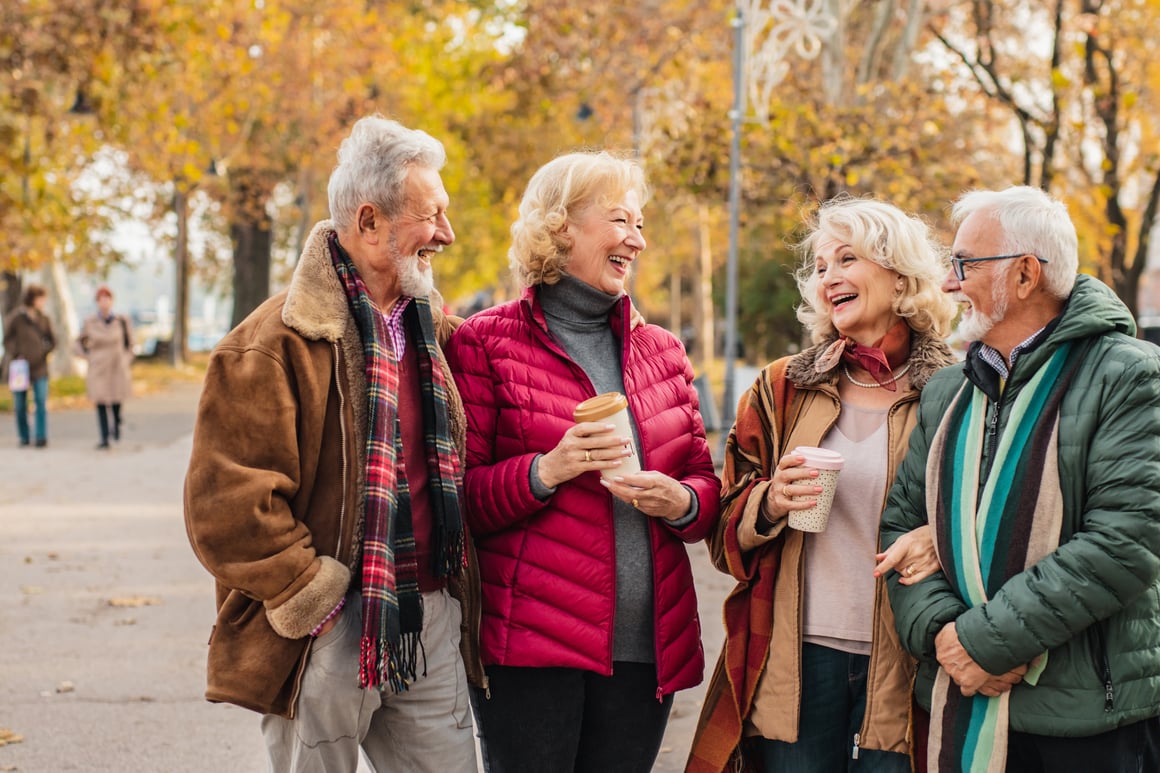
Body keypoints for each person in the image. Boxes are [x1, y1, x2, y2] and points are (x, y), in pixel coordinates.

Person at [184, 115, 480, 773]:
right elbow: (227, 509)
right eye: (431, 216)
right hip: (332, 621)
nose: (447, 234)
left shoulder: (437, 332)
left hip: (426, 613)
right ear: (369, 222)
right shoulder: (271, 343)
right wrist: (311, 597)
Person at [445, 151, 721, 773]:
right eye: (620, 220)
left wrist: (684, 502)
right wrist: (548, 469)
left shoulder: (663, 352)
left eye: (641, 225)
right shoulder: (485, 342)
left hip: (647, 649)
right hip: (530, 649)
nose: (637, 239)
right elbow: (459, 499)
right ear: (560, 226)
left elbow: (704, 484)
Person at [880, 185, 1160, 773]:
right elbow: (900, 529)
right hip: (958, 695)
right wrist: (943, 633)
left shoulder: (1128, 375)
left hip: (1084, 718)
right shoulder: (947, 391)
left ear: (1027, 275)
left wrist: (987, 641)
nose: (950, 282)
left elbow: (1128, 539)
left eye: (964, 264)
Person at [687, 197, 957, 773]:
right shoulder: (782, 388)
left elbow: (989, 517)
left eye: (847, 258)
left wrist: (939, 539)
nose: (829, 276)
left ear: (899, 273)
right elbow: (722, 534)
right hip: (795, 662)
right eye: (820, 266)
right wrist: (770, 501)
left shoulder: (956, 392)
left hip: (909, 657)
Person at [76, 286, 134, 449]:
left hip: (117, 365)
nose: (104, 302)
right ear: (97, 302)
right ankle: (104, 437)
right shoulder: (90, 322)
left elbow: (131, 343)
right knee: (100, 401)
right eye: (101, 299)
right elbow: (79, 342)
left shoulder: (121, 320)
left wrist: (126, 358)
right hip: (98, 366)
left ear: (111, 301)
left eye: (107, 298)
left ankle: (115, 423)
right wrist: (87, 357)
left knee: (116, 399)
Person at [3, 284, 56, 448]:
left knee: (40, 401)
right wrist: (16, 353)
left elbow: (53, 340)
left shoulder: (43, 319)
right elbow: (7, 339)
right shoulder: (16, 318)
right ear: (33, 298)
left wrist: (44, 352)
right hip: (20, 367)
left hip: (39, 366)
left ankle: (40, 436)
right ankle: (24, 436)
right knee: (20, 404)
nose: (43, 302)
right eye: (41, 299)